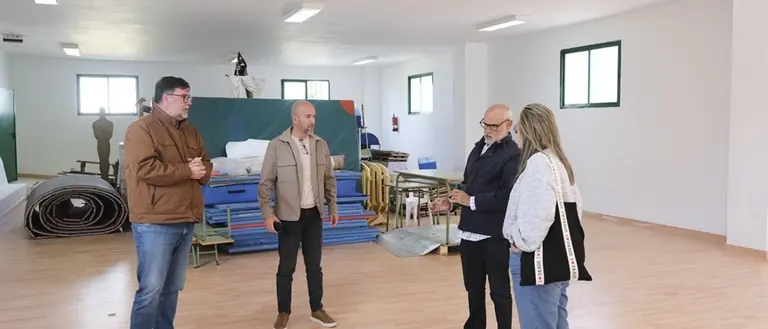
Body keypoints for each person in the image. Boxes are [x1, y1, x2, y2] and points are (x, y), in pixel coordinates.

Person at [123, 76, 212, 329]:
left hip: (186, 218)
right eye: (184, 97)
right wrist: (188, 170)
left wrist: (200, 170)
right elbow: (144, 168)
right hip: (155, 222)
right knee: (151, 290)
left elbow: (206, 163)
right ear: (165, 98)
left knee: (172, 289)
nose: (189, 103)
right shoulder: (141, 129)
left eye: (189, 97)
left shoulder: (191, 131)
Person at [430, 104, 520, 329]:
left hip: (494, 233)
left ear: (508, 125)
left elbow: (507, 195)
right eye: (485, 124)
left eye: (494, 126)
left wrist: (469, 201)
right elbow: (467, 184)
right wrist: (450, 202)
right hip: (469, 231)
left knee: (499, 290)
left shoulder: (513, 155)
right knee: (473, 286)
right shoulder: (478, 148)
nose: (488, 130)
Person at [502, 103, 592, 329]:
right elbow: (576, 210)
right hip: (558, 262)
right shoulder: (560, 162)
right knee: (556, 321)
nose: (516, 137)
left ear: (528, 131)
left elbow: (538, 217)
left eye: (517, 130)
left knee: (536, 322)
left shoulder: (539, 164)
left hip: (536, 263)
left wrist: (518, 242)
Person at [258, 100, 339, 329]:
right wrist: (267, 214)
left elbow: (329, 179)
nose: (312, 121)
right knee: (286, 268)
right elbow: (265, 183)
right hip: (288, 218)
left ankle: (317, 309)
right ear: (295, 119)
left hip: (314, 215)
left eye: (314, 116)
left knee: (315, 267)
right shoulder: (277, 145)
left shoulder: (321, 144)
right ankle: (283, 312)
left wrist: (332, 207)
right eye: (307, 116)